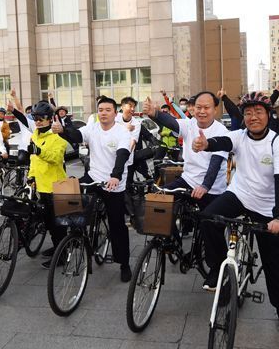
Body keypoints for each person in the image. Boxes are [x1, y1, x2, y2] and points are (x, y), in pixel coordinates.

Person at [193, 92, 279, 335]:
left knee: (273, 262)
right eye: (248, 113)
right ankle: (218, 269)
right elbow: (222, 142)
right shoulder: (239, 136)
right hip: (238, 195)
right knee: (207, 219)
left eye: (258, 112)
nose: (252, 117)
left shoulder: (276, 142)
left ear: (268, 114)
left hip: (266, 206)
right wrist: (206, 144)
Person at [56, 97, 133, 282]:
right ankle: (75, 236)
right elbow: (76, 136)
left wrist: (115, 176)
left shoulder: (122, 132)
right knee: (68, 195)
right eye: (101, 109)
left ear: (115, 113)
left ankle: (124, 264)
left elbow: (122, 155)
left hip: (114, 183)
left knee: (117, 225)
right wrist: (63, 131)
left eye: (108, 109)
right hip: (94, 176)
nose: (104, 112)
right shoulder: (93, 128)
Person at [144, 91, 228, 207]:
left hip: (212, 188)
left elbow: (215, 164)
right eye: (199, 107)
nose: (202, 111)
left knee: (206, 223)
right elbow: (172, 123)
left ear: (215, 109)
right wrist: (154, 113)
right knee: (157, 198)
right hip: (188, 181)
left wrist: (205, 186)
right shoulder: (189, 124)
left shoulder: (222, 132)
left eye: (206, 107)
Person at [23, 101, 69, 265]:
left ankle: (62, 254)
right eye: (35, 118)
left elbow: (56, 158)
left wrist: (40, 151)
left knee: (58, 224)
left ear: (50, 119)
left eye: (42, 118)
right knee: (49, 222)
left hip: (56, 186)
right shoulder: (35, 134)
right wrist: (31, 176)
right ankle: (58, 247)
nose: (38, 121)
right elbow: (33, 160)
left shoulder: (58, 136)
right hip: (42, 186)